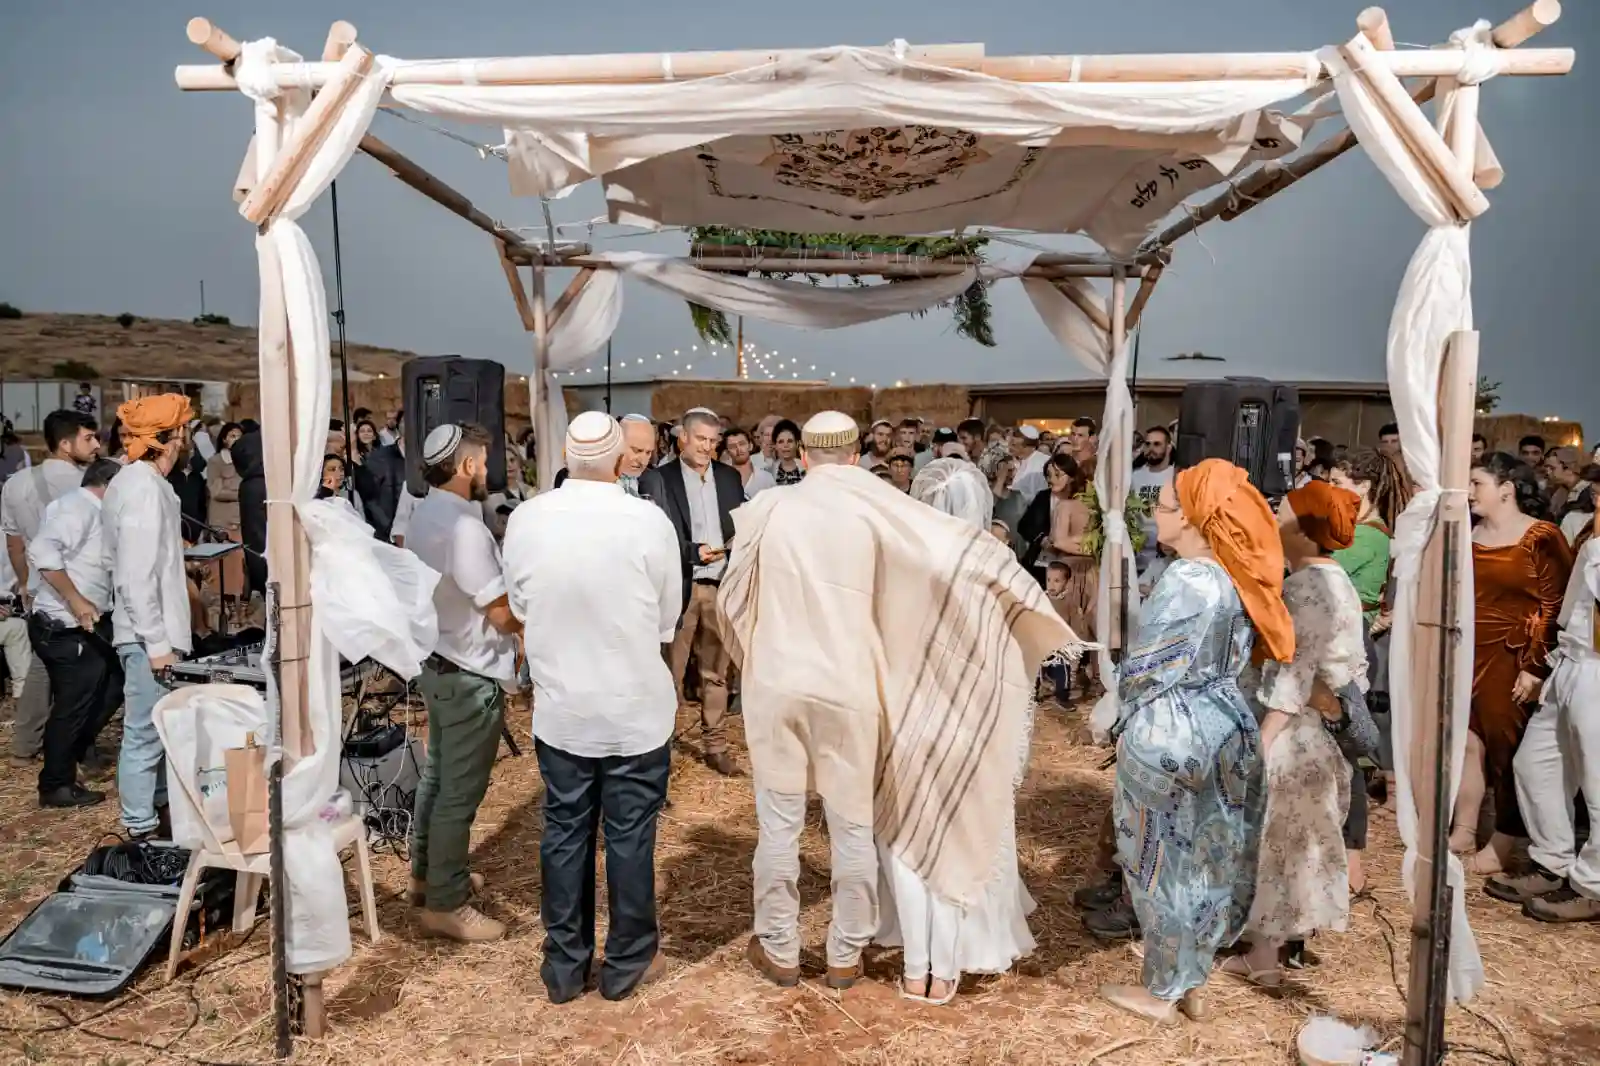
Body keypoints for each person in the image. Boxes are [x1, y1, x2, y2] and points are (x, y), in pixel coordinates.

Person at [722, 413, 1074, 996]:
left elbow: (734, 599)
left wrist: (755, 663)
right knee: (852, 824)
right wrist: (1019, 600)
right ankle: (844, 954)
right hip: (850, 687)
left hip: (778, 683)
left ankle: (780, 947)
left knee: (778, 824)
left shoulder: (769, 508)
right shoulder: (877, 507)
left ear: (803, 456)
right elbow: (949, 552)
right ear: (854, 454)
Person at [1101, 459, 1293, 1023]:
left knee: (1159, 861)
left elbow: (1148, 666)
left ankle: (1162, 989)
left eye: (1161, 506)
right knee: (1211, 858)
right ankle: (1192, 979)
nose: (1153, 515)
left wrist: (1117, 715)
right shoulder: (1234, 575)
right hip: (1225, 720)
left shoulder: (1188, 578)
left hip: (1172, 726)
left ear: (1189, 518)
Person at [503, 412, 678, 1002]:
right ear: (619, 460)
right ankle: (626, 963)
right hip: (633, 711)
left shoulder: (527, 519)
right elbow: (667, 617)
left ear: (565, 456)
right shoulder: (647, 521)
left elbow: (520, 606)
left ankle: (564, 966)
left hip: (564, 711)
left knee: (564, 833)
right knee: (630, 838)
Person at [870, 457, 1050, 1003]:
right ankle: (946, 968)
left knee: (901, 837)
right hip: (972, 721)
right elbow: (1024, 645)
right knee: (961, 837)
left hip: (906, 715)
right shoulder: (996, 564)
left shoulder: (899, 560)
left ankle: (915, 966)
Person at [1223, 481, 1366, 990]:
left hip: (1293, 734)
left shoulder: (1308, 588)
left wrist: (1263, 741)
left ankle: (1264, 957)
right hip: (1310, 730)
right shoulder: (1332, 581)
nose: (1273, 521)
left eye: (1281, 514)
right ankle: (1272, 950)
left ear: (1304, 531)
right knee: (1290, 843)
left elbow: (1294, 674)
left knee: (1276, 844)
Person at [405, 424, 523, 942]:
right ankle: (446, 903)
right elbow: (498, 612)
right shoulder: (464, 528)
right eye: (484, 461)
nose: (488, 470)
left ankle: (427, 876)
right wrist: (532, 617)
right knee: (459, 793)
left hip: (439, 661)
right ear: (466, 466)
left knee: (436, 779)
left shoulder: (423, 513)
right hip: (470, 672)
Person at [1453, 453, 1573, 877]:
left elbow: (1555, 605)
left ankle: (1505, 840)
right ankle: (1465, 828)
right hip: (1469, 650)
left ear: (1506, 489)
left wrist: (1536, 666)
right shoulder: (1468, 532)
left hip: (1512, 655)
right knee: (1469, 742)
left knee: (1507, 750)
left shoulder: (1541, 536)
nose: (1469, 491)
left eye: (1477, 483)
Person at [104, 395, 194, 840]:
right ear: (169, 438)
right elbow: (135, 577)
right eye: (184, 431)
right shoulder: (142, 488)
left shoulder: (144, 483)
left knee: (158, 731)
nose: (187, 440)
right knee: (143, 734)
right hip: (147, 638)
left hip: (151, 633)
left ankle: (159, 812)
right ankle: (141, 832)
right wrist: (157, 644)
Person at [1498, 526, 1600, 921]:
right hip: (1572, 662)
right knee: (1534, 764)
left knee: (1597, 785)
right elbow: (1572, 609)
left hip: (1596, 669)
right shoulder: (1592, 543)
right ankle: (1553, 861)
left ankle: (1593, 886)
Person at [637, 408, 743, 775]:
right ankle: (660, 750)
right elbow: (655, 534)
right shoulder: (660, 479)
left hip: (720, 585)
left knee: (717, 672)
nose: (707, 447)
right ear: (682, 437)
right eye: (701, 439)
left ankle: (715, 745)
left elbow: (738, 522)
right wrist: (691, 551)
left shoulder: (729, 477)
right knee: (669, 674)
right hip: (679, 586)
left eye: (713, 441)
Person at [3, 409, 100, 768]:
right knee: (87, 673)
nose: (96, 445)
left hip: (39, 583)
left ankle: (26, 744)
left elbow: (14, 543)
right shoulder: (88, 483)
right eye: (89, 438)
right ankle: (79, 749)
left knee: (42, 665)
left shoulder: (15, 483)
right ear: (65, 443)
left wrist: (24, 582)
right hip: (82, 586)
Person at [28, 458, 124, 809]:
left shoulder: (94, 511)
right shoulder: (76, 508)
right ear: (108, 485)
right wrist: (76, 600)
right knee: (71, 707)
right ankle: (56, 784)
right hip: (65, 627)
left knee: (115, 681)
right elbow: (41, 551)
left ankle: (76, 748)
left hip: (90, 623)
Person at [204, 422, 247, 618]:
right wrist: (243, 492)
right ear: (223, 439)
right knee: (226, 569)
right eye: (232, 435)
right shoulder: (215, 462)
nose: (236, 439)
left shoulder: (247, 461)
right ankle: (228, 608)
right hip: (223, 522)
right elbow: (216, 491)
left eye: (239, 436)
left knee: (243, 568)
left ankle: (242, 608)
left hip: (243, 519)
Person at [1130, 426, 1175, 575]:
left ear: (1168, 447)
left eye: (1157, 444)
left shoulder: (1176, 477)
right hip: (1137, 558)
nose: (1151, 449)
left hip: (1166, 560)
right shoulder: (1135, 477)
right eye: (1148, 444)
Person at [723, 427, 776, 497]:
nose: (738, 449)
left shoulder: (766, 478)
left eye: (742, 444)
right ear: (727, 452)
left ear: (750, 446)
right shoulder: (720, 479)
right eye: (732, 446)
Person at [1009, 426, 1048, 500]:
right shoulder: (1016, 459)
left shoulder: (1042, 462)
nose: (1010, 447)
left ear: (1027, 446)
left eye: (1014, 445)